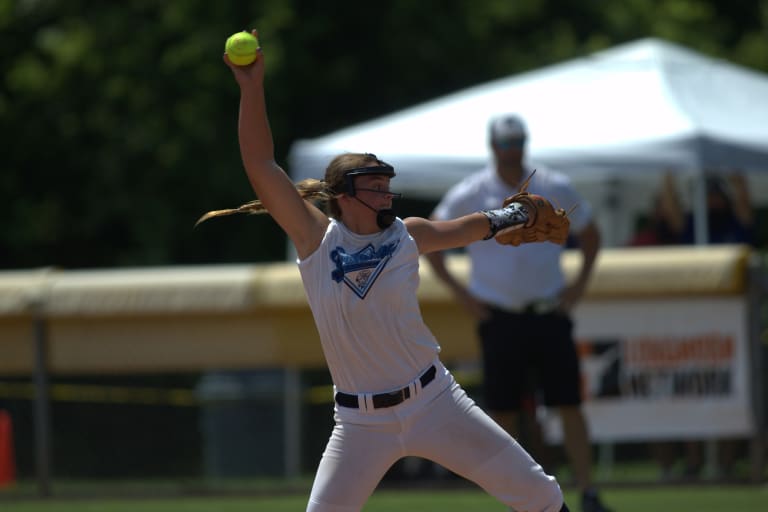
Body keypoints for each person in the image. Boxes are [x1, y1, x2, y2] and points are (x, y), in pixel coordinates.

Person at [199, 31, 572, 512]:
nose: (385, 193)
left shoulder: (404, 235)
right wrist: (251, 88)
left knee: (540, 494)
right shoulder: (317, 240)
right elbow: (260, 163)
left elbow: (465, 227)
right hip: (360, 424)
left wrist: (515, 215)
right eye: (374, 185)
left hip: (434, 401)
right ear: (344, 195)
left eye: (386, 184)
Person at [426, 114, 611, 512]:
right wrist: (463, 296)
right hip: (499, 315)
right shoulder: (472, 191)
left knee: (568, 403)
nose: (512, 151)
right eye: (505, 144)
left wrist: (578, 286)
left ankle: (588, 491)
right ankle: (512, 496)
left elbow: (592, 234)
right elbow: (433, 237)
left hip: (548, 311)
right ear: (493, 146)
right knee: (503, 410)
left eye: (517, 142)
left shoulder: (553, 184)